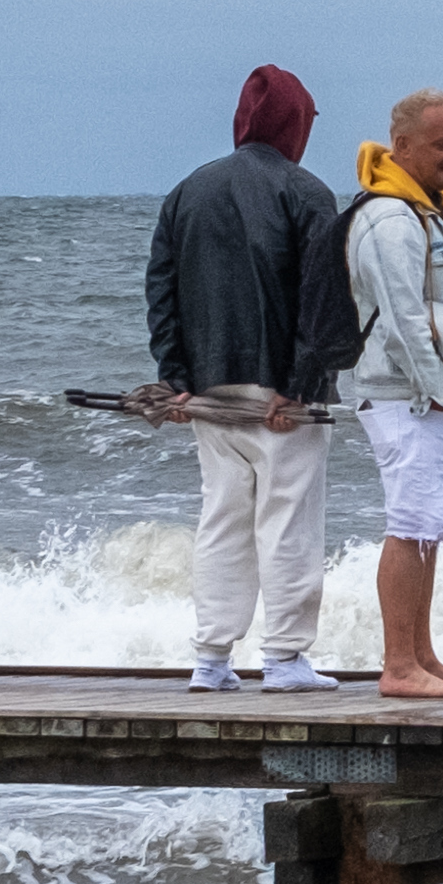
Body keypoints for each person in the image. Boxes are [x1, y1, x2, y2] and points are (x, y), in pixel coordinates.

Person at [147, 66, 346, 693]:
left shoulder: (187, 191)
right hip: (282, 394)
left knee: (223, 517)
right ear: (295, 123)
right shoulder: (307, 192)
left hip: (206, 386)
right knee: (287, 518)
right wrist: (304, 382)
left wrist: (175, 378)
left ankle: (210, 659)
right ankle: (285, 660)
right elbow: (322, 299)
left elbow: (162, 290)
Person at [342, 87, 443, 699]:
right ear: (402, 146)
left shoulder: (428, 210)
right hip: (403, 394)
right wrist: (439, 390)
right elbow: (406, 319)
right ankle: (397, 665)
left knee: (430, 523)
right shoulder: (389, 218)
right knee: (409, 523)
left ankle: (421, 654)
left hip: (430, 394)